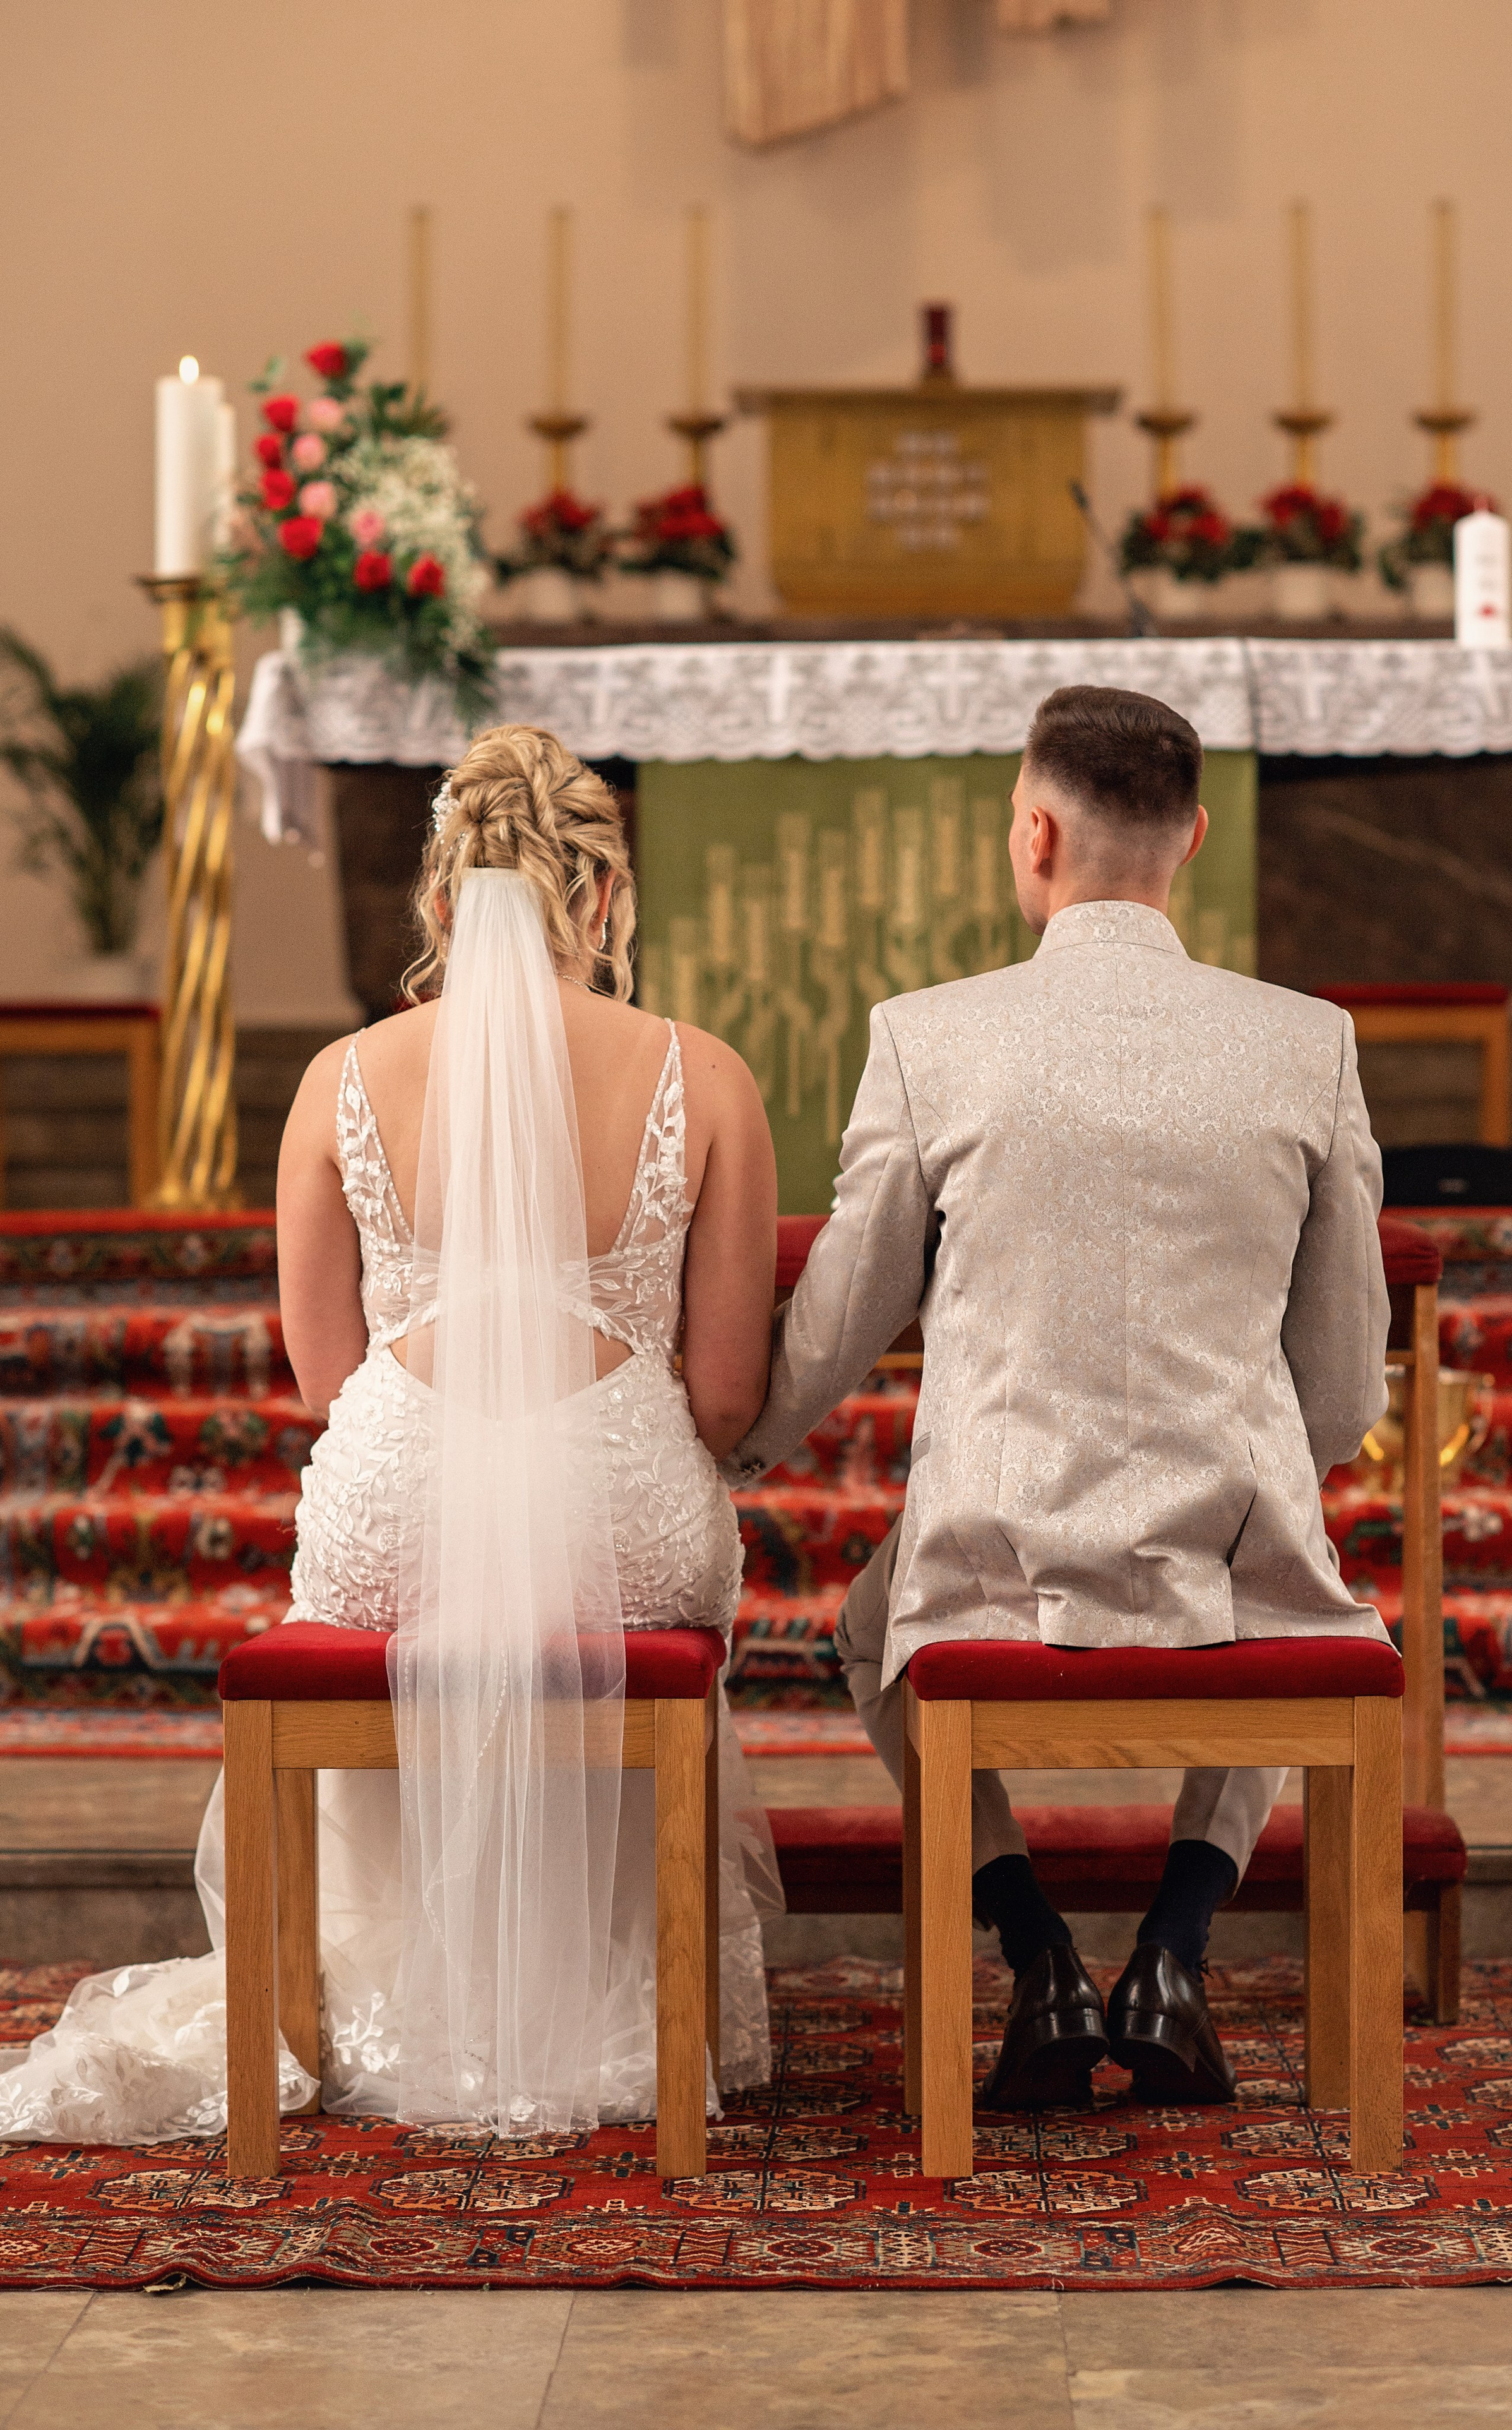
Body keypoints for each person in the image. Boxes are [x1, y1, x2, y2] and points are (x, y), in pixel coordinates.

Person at [0, 724, 782, 2143]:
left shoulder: (339, 1079)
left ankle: (376, 2002)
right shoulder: (705, 1076)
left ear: (437, 898)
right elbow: (728, 1399)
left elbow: (322, 1377)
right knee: (660, 1543)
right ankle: (622, 1996)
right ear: (605, 896)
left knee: (380, 1543)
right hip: (619, 1517)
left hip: (398, 1505)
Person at [729, 683, 1391, 2112]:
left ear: (1032, 832)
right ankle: (1172, 1950)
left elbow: (840, 1320)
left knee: (870, 1626)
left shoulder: (929, 1037)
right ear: (1192, 839)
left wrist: (738, 1439)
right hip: (1228, 1534)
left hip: (998, 1547)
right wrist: (1268, 1460)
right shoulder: (1309, 1041)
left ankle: (1034, 1950)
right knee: (1299, 1585)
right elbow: (1342, 1380)